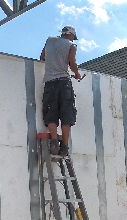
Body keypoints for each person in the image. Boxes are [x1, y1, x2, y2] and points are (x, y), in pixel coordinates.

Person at [40, 26, 82, 157]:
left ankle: (53, 140)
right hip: (64, 83)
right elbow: (72, 62)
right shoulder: (71, 45)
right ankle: (64, 146)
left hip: (50, 82)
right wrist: (77, 74)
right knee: (66, 114)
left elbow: (42, 57)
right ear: (71, 35)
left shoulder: (49, 40)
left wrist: (55, 61)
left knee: (50, 112)